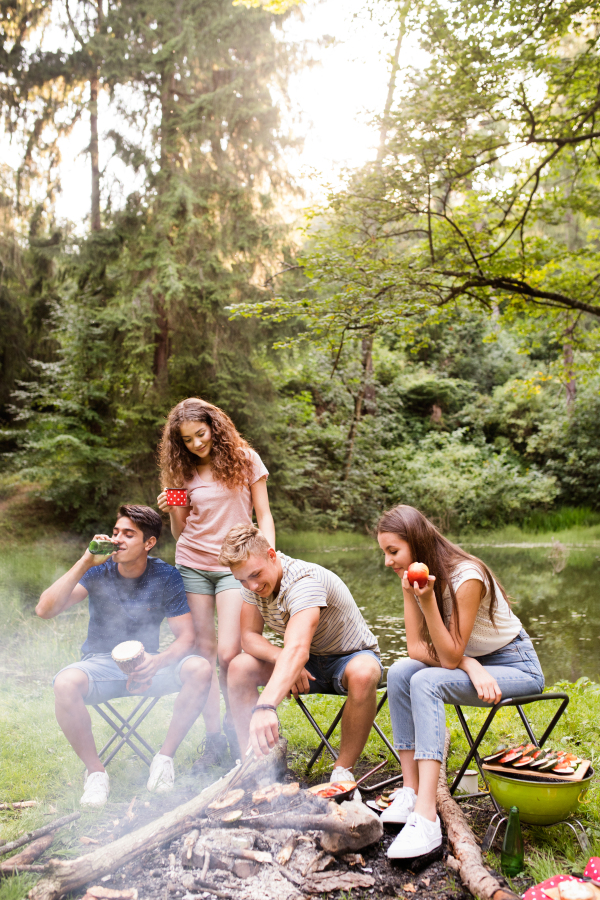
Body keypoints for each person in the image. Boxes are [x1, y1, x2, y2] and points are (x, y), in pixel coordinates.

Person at [377, 505, 544, 859]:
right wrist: (469, 662)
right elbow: (415, 648)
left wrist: (431, 610)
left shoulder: (467, 576)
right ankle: (409, 791)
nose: (388, 561)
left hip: (517, 665)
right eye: (385, 553)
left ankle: (426, 817)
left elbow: (447, 657)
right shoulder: (416, 575)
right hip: (475, 661)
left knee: (426, 683)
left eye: (393, 551)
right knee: (400, 672)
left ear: (416, 542)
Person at [37, 505, 213, 808]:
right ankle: (95, 774)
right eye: (116, 532)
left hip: (149, 664)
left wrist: (159, 661)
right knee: (65, 683)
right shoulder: (97, 571)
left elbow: (186, 637)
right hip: (101, 664)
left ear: (149, 543)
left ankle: (163, 760)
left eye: (128, 534)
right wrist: (85, 561)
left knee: (199, 667)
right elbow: (45, 610)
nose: (117, 539)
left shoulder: (166, 575)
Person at [157, 398, 275, 767]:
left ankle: (236, 718)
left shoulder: (245, 459)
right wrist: (176, 509)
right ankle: (214, 738)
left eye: (200, 434)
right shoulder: (181, 469)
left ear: (214, 426)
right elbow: (180, 532)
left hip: (232, 566)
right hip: (192, 563)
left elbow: (264, 513)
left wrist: (267, 554)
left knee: (228, 652)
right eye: (186, 439)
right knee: (204, 654)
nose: (195, 444)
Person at [221, 523, 383, 785]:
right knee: (239, 667)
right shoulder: (252, 585)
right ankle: (252, 765)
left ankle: (342, 772)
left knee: (364, 673)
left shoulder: (304, 581)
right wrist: (282, 659)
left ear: (272, 556)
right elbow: (249, 638)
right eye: (242, 580)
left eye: (255, 575)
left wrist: (265, 706)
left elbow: (297, 649)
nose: (251, 585)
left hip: (349, 658)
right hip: (308, 664)